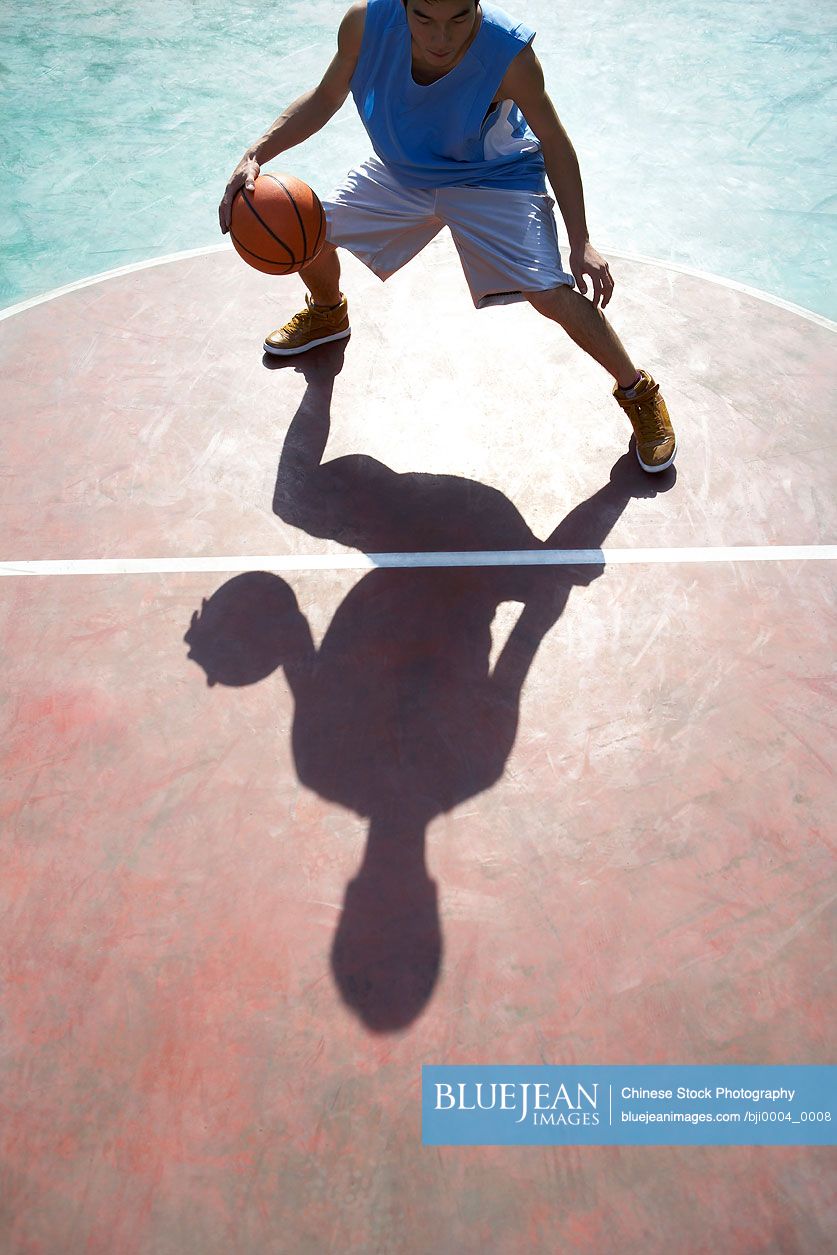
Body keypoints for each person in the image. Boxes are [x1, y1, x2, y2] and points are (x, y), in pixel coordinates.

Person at [219, 0, 677, 473]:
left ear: (477, 4)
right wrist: (257, 153)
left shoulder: (509, 55)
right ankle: (328, 313)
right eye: (424, 18)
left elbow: (556, 141)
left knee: (550, 293)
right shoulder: (365, 24)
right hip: (403, 173)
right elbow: (324, 97)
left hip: (493, 179)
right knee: (311, 230)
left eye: (459, 18)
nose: (441, 38)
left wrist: (580, 239)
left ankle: (638, 390)